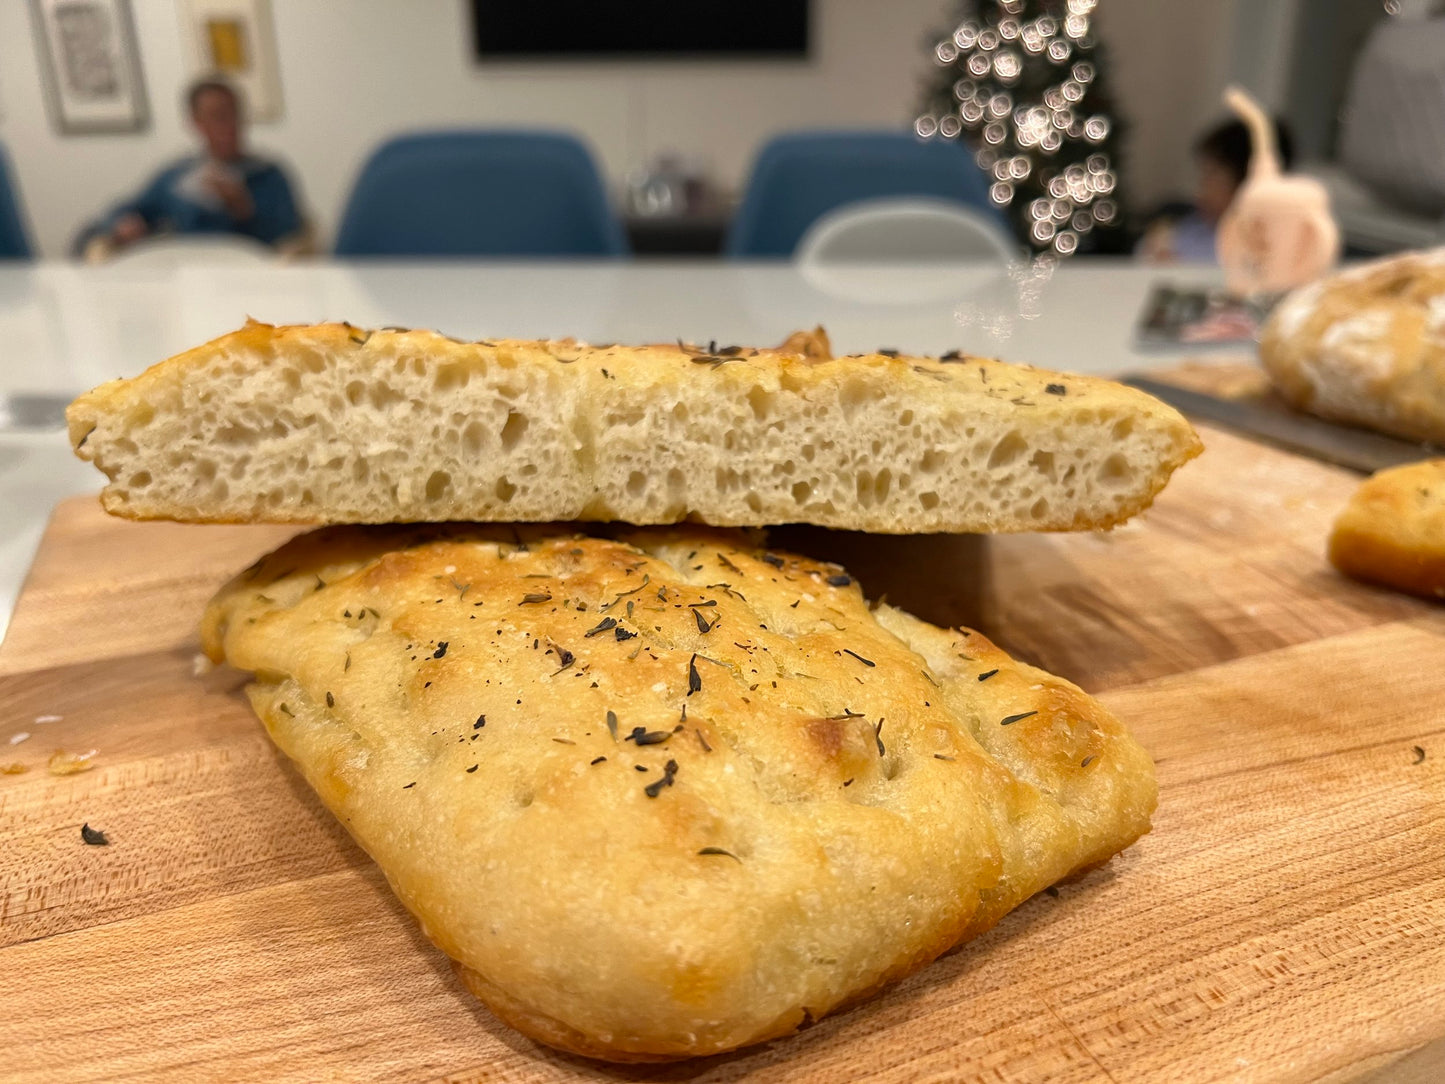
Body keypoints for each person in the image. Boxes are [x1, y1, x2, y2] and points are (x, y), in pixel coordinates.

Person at [77, 77, 305, 258]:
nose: (230, 125)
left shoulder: (269, 174)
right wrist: (122, 226)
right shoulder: (176, 177)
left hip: (251, 281)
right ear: (197, 123)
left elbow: (292, 238)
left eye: (235, 114)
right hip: (186, 278)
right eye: (218, 117)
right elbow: (126, 211)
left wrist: (244, 210)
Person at [1137, 116, 1295, 264]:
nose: (1200, 190)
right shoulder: (1193, 229)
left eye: (1209, 176)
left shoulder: (1276, 244)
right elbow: (1146, 255)